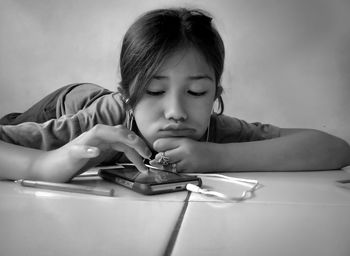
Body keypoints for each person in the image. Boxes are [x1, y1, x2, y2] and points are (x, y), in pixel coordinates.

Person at [0, 8, 349, 183]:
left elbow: (334, 149)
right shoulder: (103, 121)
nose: (176, 112)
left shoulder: (213, 132)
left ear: (216, 94)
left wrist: (218, 158)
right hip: (64, 102)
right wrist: (44, 164)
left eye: (196, 91)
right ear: (128, 96)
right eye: (154, 90)